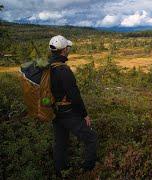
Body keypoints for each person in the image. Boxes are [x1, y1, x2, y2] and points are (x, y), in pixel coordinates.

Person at [48, 35, 98, 177]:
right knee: (91, 138)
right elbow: (75, 96)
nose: (68, 50)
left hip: (54, 112)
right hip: (68, 112)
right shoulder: (63, 70)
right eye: (67, 48)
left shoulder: (47, 67)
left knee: (60, 144)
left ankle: (60, 173)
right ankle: (88, 171)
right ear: (64, 50)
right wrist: (85, 115)